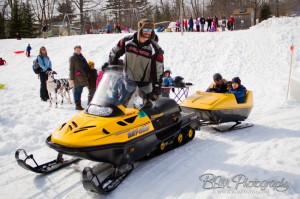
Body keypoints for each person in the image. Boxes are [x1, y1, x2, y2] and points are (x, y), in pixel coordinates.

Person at [109, 18, 164, 108]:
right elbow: (114, 53)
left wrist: (157, 89)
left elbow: (158, 70)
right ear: (140, 29)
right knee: (121, 107)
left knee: (148, 109)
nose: (148, 32)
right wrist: (113, 69)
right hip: (128, 80)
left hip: (145, 84)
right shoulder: (127, 41)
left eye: (150, 30)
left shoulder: (155, 49)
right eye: (145, 29)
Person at [69, 45, 89, 110]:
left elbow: (85, 66)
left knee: (80, 91)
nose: (78, 51)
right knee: (76, 91)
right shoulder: (72, 58)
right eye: (77, 50)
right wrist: (71, 79)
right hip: (76, 77)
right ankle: (77, 105)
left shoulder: (82, 57)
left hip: (82, 77)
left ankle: (79, 104)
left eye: (79, 50)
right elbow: (71, 69)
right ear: (74, 50)